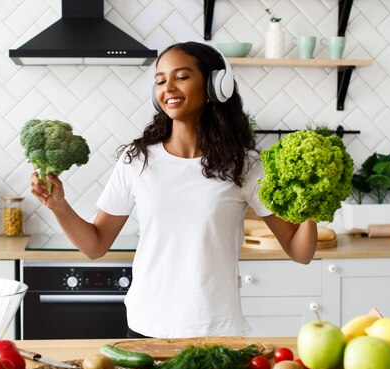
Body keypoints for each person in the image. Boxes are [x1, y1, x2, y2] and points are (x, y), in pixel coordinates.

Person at [30, 41, 318, 338]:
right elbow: (95, 245)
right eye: (160, 80)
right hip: (147, 326)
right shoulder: (136, 160)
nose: (168, 87)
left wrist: (314, 202)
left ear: (215, 86)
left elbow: (300, 252)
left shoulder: (244, 165)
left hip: (216, 332)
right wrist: (59, 206)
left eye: (181, 77)